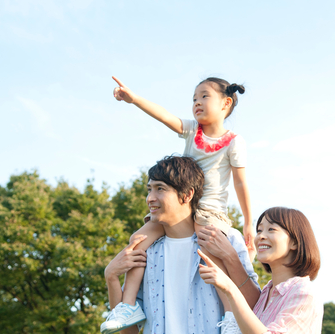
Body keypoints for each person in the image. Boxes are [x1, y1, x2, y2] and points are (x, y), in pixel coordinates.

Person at [102, 76, 255, 332]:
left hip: (209, 211)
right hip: (186, 208)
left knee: (210, 251)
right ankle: (127, 306)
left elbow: (240, 183)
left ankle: (230, 316)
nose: (197, 102)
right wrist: (134, 98)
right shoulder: (192, 130)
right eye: (194, 98)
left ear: (226, 103)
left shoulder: (234, 142)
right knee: (138, 239)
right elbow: (163, 115)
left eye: (204, 96)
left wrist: (249, 222)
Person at [102, 156, 260, 334]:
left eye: (160, 189)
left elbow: (256, 307)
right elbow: (127, 330)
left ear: (187, 195)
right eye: (149, 190)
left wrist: (230, 257)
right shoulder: (146, 249)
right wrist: (111, 277)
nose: (149, 198)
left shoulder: (227, 238)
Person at [198, 207, 323, 334]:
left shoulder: (304, 292)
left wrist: (230, 289)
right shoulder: (267, 293)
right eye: (259, 230)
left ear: (294, 243)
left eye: (271, 229)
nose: (261, 236)